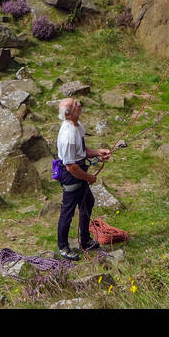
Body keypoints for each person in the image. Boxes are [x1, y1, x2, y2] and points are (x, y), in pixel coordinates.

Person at [55, 97, 112, 261]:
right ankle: (63, 247)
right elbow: (71, 166)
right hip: (72, 174)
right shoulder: (68, 135)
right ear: (68, 113)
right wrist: (88, 177)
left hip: (79, 169)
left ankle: (85, 240)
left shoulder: (77, 126)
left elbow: (82, 150)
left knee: (87, 202)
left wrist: (97, 152)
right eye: (75, 104)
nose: (79, 105)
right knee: (68, 211)